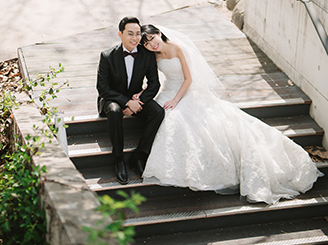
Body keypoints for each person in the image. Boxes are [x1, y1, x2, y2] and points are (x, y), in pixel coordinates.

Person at [139, 24, 323, 205]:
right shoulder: (153, 57)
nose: (151, 44)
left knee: (183, 118)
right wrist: (141, 94)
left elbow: (188, 79)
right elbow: (153, 81)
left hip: (186, 92)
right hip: (168, 91)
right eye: (146, 43)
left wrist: (176, 100)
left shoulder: (177, 47)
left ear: (158, 33)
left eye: (152, 38)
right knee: (167, 118)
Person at [96, 17, 165, 184]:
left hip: (136, 98)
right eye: (130, 34)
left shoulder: (146, 55)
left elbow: (154, 84)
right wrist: (127, 103)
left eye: (138, 34)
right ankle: (118, 159)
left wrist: (138, 102)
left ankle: (139, 155)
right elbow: (102, 88)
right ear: (120, 34)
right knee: (114, 111)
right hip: (112, 98)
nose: (135, 38)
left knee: (158, 112)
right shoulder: (107, 56)